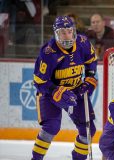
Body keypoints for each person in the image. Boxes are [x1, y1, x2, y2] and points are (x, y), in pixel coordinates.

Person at [31, 16, 98, 160]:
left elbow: (92, 61)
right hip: (51, 94)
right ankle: (36, 158)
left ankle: (78, 158)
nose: (67, 35)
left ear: (74, 31)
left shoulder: (83, 42)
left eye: (69, 31)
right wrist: (55, 92)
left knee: (88, 130)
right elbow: (39, 82)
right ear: (56, 34)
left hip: (76, 89)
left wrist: (90, 78)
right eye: (63, 32)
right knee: (51, 127)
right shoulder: (48, 52)